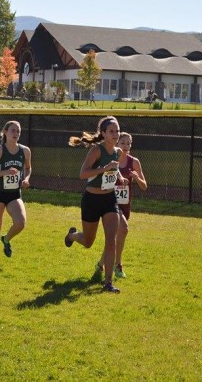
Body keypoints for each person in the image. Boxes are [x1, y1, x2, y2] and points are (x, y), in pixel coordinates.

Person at [64, 116, 124, 293]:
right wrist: (103, 169)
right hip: (91, 200)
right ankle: (72, 236)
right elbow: (83, 174)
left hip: (109, 200)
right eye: (111, 131)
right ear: (103, 133)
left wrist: (119, 177)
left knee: (111, 239)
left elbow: (114, 170)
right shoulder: (96, 151)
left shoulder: (118, 152)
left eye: (117, 131)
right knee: (89, 241)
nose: (115, 134)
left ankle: (108, 283)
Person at [96, 132, 147, 278]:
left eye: (128, 143)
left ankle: (101, 263)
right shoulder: (112, 159)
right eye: (123, 143)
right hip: (110, 202)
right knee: (123, 229)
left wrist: (136, 178)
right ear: (117, 144)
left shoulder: (134, 162)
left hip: (125, 204)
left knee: (114, 236)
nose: (126, 146)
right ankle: (118, 265)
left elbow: (144, 186)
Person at [0, 120, 32, 261]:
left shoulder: (25, 151)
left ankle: (6, 239)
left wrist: (26, 179)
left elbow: (28, 167)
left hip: (14, 194)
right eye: (13, 130)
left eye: (18, 131)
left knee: (20, 223)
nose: (16, 133)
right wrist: (4, 172)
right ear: (5, 132)